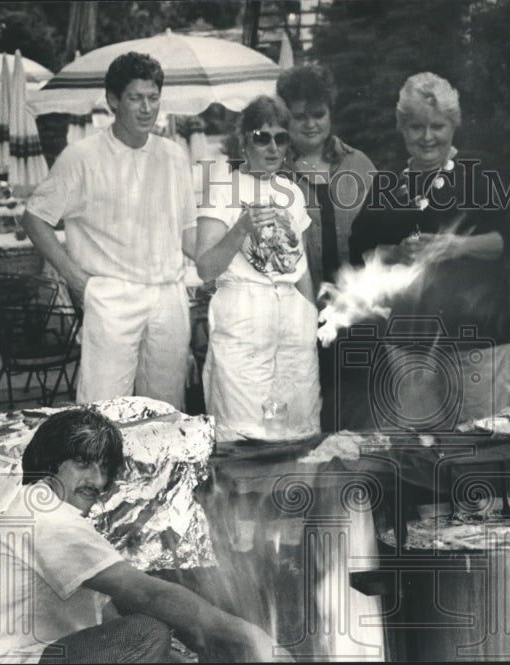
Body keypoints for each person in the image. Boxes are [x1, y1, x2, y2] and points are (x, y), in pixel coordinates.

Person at [0, 409, 285, 663]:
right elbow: (146, 594)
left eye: (104, 468)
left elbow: (105, 618)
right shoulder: (46, 515)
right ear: (50, 463)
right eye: (82, 463)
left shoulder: (41, 509)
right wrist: (247, 636)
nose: (98, 480)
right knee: (146, 631)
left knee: (149, 634)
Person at [21, 52, 196, 410]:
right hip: (112, 296)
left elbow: (187, 230)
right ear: (114, 100)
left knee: (166, 408)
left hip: (168, 296)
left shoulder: (174, 154)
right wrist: (77, 278)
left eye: (153, 97)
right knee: (103, 408)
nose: (147, 108)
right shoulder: (82, 156)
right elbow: (34, 217)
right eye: (135, 98)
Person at [349, 72, 510, 431]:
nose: (427, 137)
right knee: (416, 457)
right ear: (402, 128)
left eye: (437, 126)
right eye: (416, 127)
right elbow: (359, 249)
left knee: (482, 450)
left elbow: (509, 242)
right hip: (409, 344)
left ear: (454, 124)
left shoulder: (482, 172)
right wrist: (394, 253)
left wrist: (457, 246)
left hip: (478, 339)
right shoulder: (388, 186)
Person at [195, 96, 320, 442]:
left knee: (300, 430)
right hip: (243, 315)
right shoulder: (222, 190)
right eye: (262, 137)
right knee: (244, 434)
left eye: (281, 138)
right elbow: (205, 267)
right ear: (244, 140)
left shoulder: (293, 193)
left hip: (292, 319)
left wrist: (309, 315)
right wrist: (240, 228)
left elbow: (302, 268)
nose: (273, 147)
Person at [276, 64, 376, 431]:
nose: (310, 124)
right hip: (298, 320)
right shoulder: (273, 174)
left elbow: (383, 240)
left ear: (331, 112)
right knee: (303, 423)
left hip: (357, 319)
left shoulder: (360, 165)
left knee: (358, 423)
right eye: (298, 116)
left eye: (318, 114)